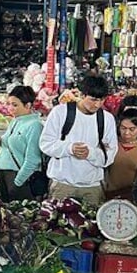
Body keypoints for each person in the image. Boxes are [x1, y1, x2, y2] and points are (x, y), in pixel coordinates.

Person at [39, 74, 117, 205]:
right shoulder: (60, 112)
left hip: (92, 187)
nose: (97, 104)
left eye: (102, 100)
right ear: (81, 94)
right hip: (62, 185)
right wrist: (70, 149)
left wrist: (91, 153)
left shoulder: (107, 119)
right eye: (93, 100)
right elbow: (45, 143)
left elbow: (111, 153)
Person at [0, 85, 45, 201]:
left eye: (15, 105)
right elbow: (10, 143)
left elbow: (33, 159)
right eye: (9, 104)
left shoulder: (35, 126)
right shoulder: (16, 120)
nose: (10, 108)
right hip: (5, 176)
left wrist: (18, 182)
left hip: (20, 179)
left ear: (28, 105)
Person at [104, 107, 137, 200]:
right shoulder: (110, 143)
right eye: (123, 128)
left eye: (132, 129)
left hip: (131, 197)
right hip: (106, 194)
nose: (126, 133)